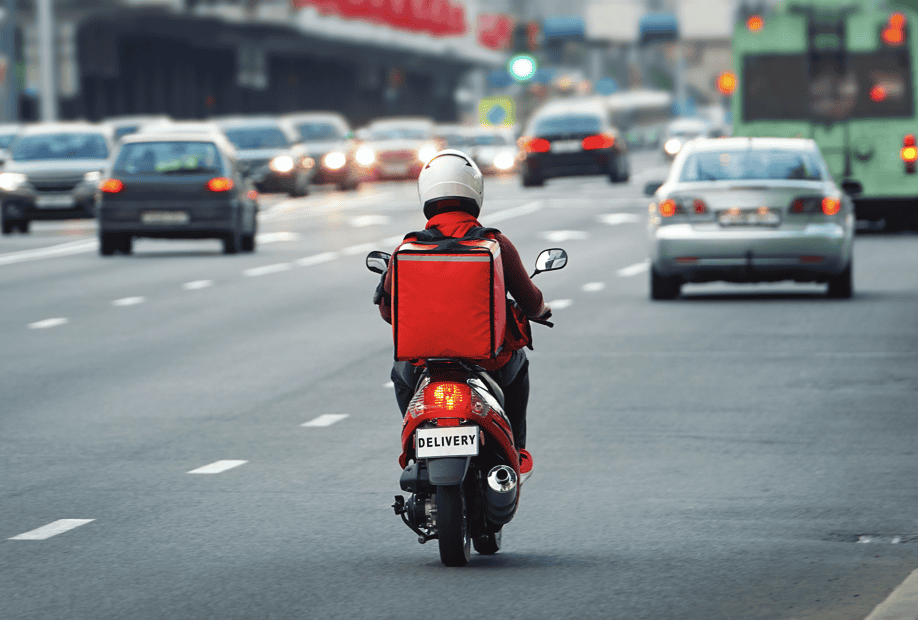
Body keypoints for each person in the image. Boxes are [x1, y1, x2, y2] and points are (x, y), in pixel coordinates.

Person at [374, 149, 551, 482]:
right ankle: (518, 451)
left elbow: (388, 312)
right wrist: (541, 311)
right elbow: (529, 299)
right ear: (475, 194)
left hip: (424, 366)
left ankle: (413, 448)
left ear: (426, 194)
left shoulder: (407, 248)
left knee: (399, 375)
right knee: (520, 365)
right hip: (488, 364)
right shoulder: (495, 243)